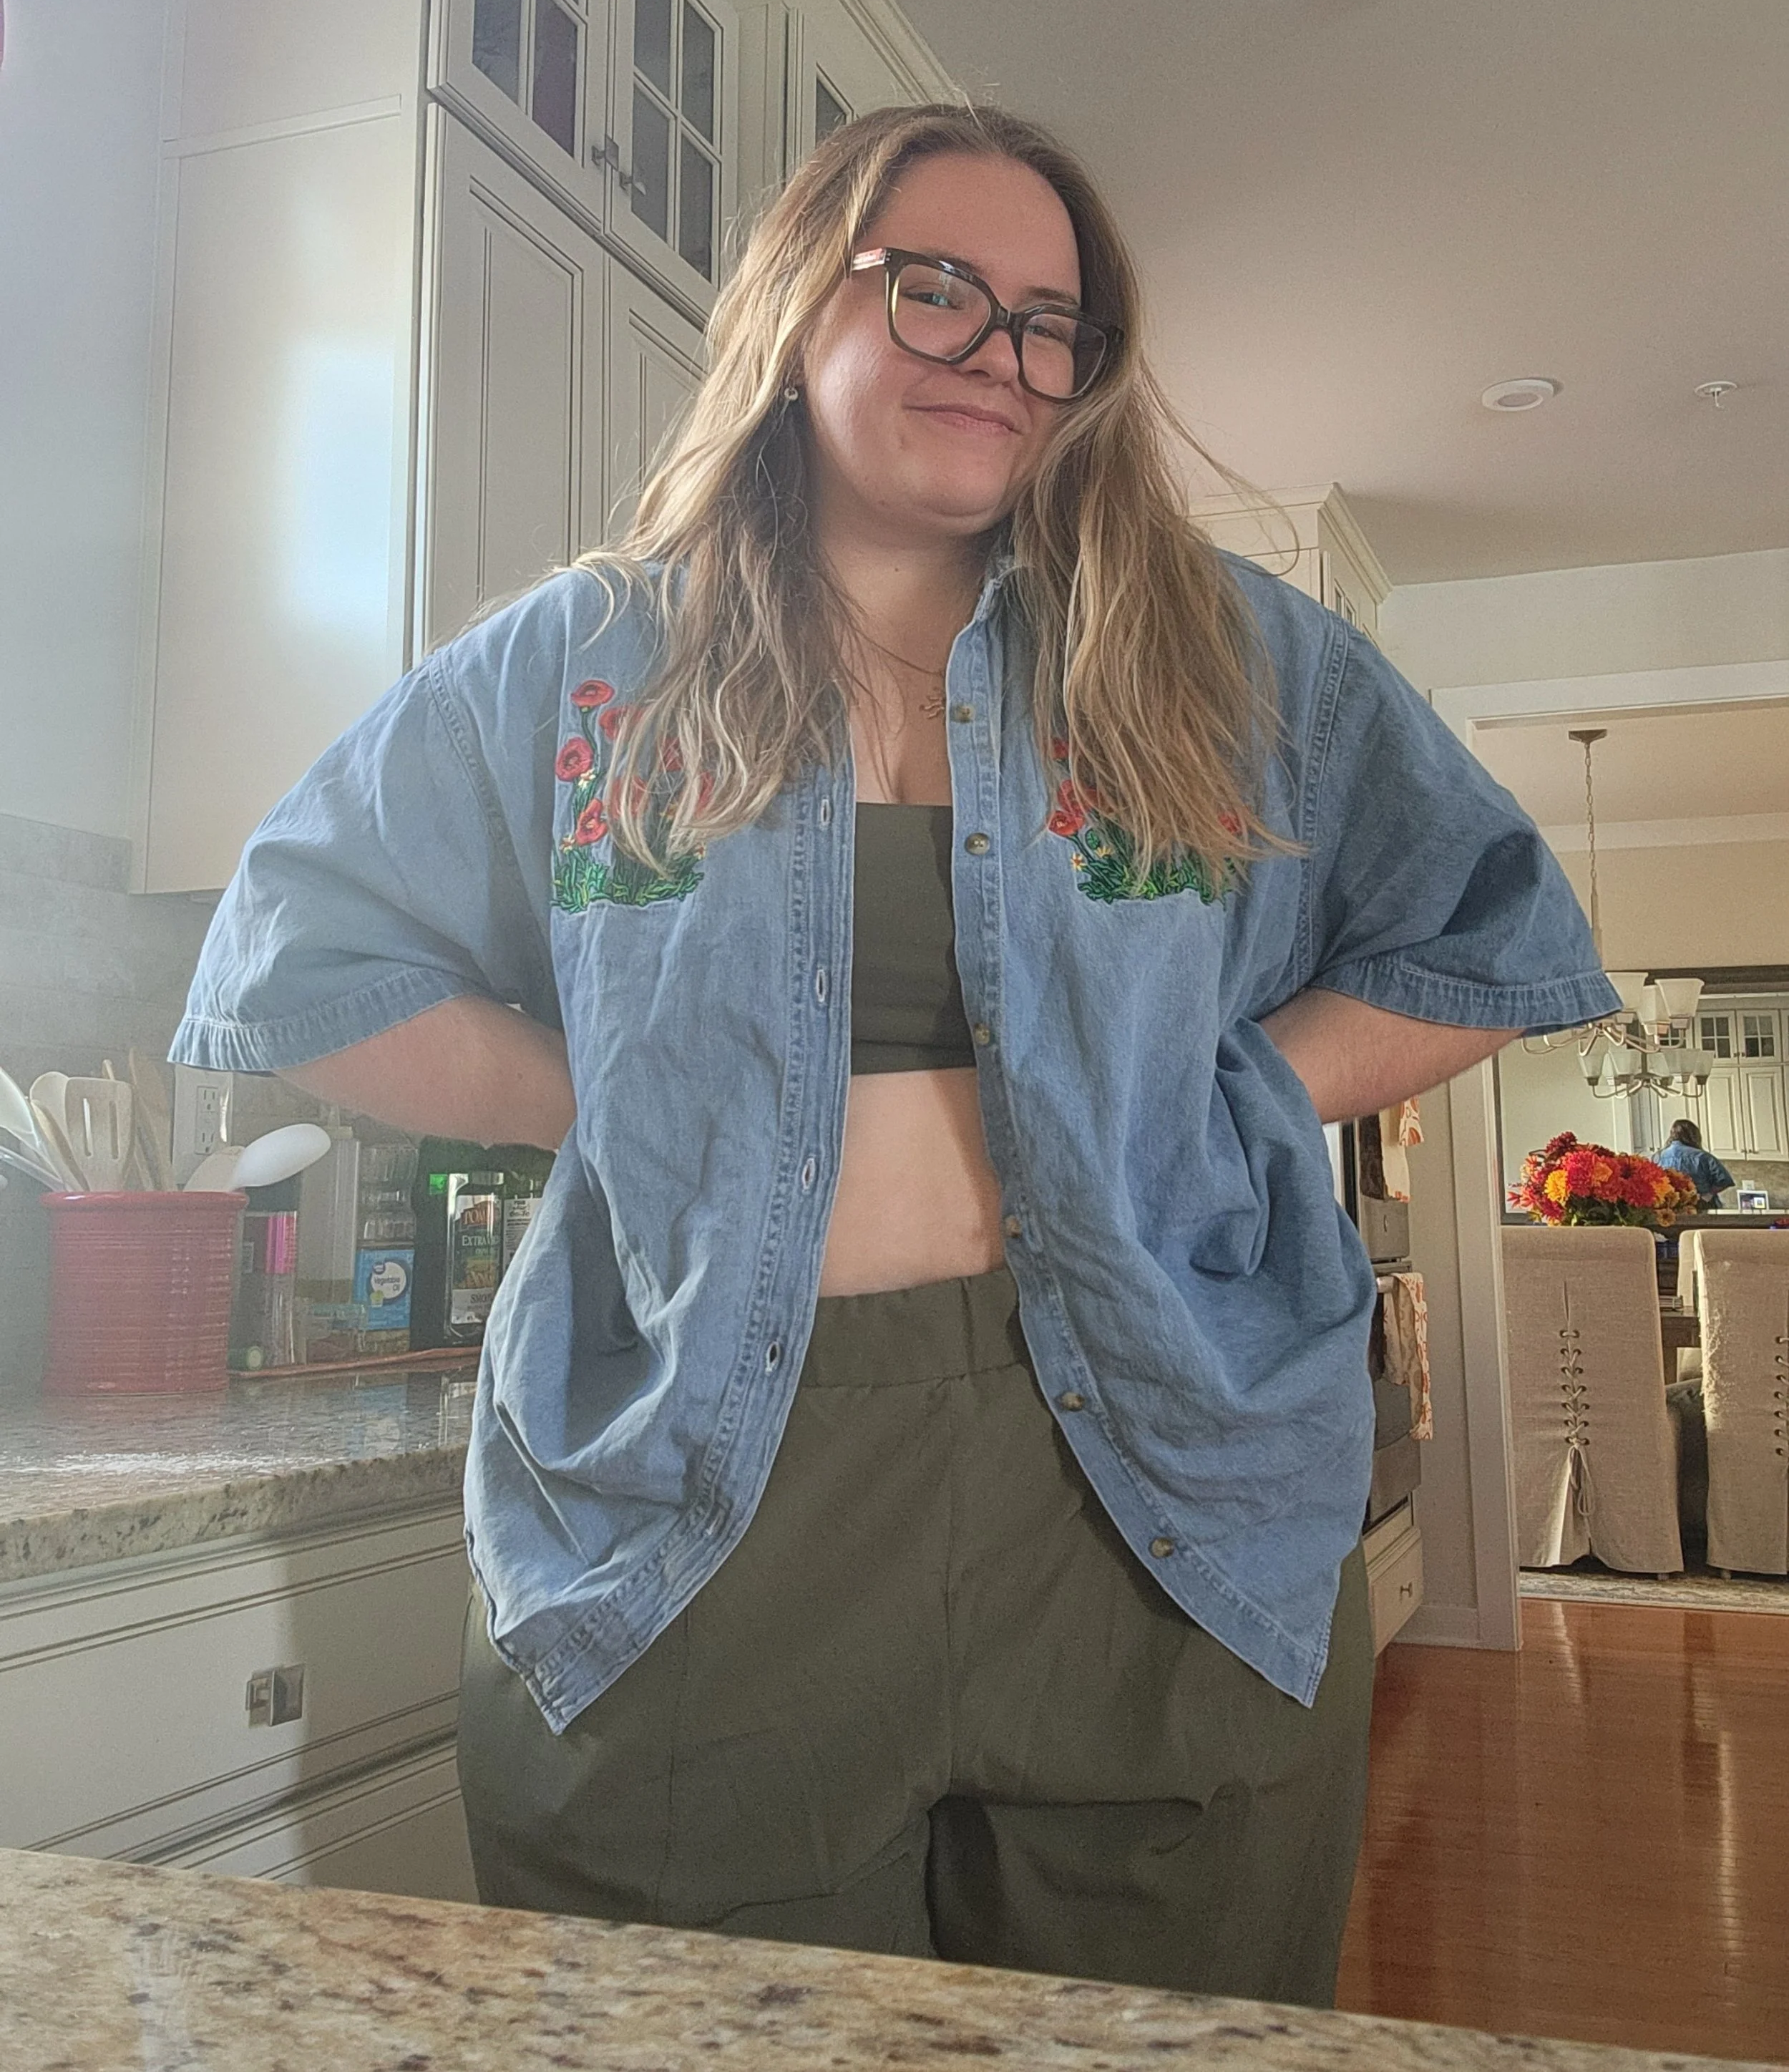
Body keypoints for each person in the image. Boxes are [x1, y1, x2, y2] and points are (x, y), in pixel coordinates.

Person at [172, 103, 1618, 2006]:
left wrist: (1228, 1086)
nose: (998, 356)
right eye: (935, 288)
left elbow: (1490, 931)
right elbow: (297, 955)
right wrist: (622, 1103)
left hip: (1153, 1499)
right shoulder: (587, 662)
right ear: (798, 298)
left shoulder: (1221, 655)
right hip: (705, 1509)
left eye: (1048, 322)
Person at [1656, 1118, 1735, 1209]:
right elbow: (1724, 1180)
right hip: (1701, 1204)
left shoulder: (1658, 1157)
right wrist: (1708, 1195)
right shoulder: (1703, 1157)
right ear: (1694, 1136)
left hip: (1669, 1207)